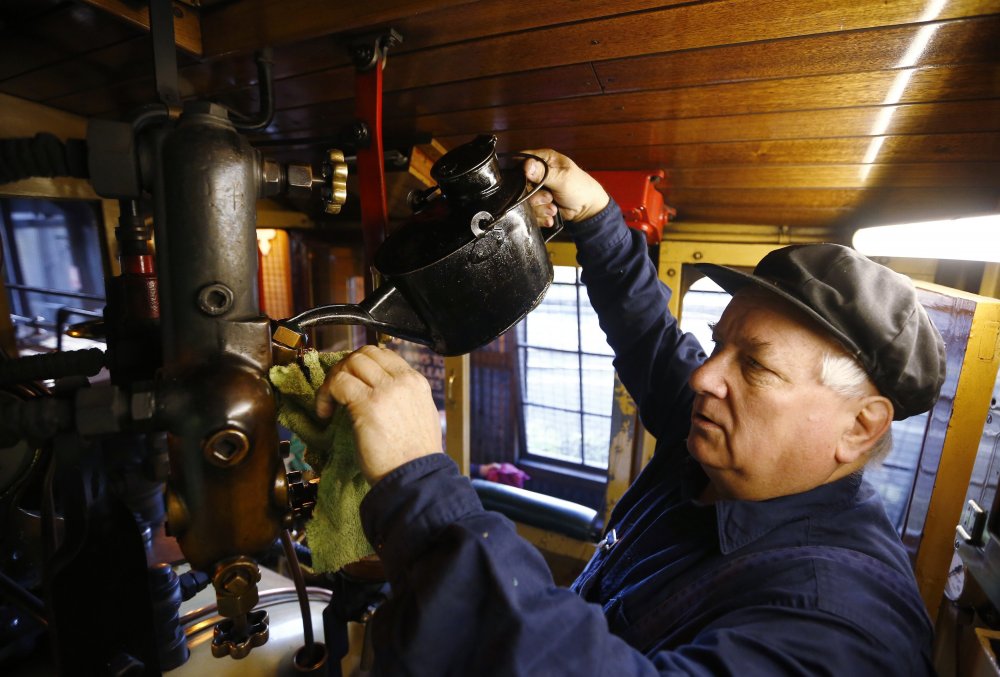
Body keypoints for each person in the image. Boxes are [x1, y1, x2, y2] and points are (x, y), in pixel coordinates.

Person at [315, 149, 946, 675]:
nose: (705, 375)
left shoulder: (844, 626)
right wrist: (595, 217)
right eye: (720, 343)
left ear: (859, 426)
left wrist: (420, 483)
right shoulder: (719, 447)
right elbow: (650, 337)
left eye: (754, 364)